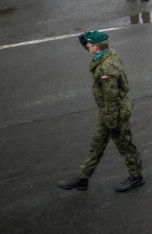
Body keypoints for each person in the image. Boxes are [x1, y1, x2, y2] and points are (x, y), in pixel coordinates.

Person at [57, 31, 144, 193]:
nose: (87, 46)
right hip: (107, 112)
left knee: (125, 146)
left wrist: (112, 124)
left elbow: (112, 99)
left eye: (89, 44)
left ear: (96, 47)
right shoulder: (108, 53)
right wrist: (84, 40)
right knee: (96, 144)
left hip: (115, 114)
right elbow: (94, 46)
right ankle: (83, 178)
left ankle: (136, 177)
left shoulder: (106, 70)